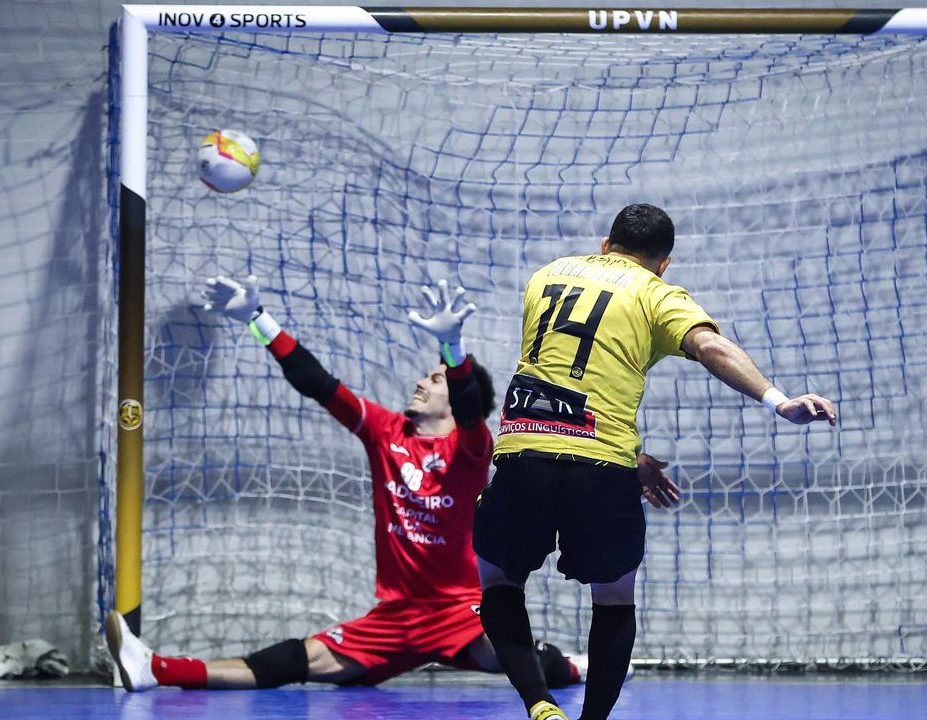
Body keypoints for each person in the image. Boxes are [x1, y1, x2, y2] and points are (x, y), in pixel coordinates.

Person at [106, 276, 588, 692]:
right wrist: (258, 318)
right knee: (293, 661)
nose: (421, 383)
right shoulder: (384, 432)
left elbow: (467, 401)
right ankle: (156, 669)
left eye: (434, 380)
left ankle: (575, 667)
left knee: (515, 656)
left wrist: (453, 350)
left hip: (460, 612)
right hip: (395, 617)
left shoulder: (471, 448)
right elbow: (318, 384)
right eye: (427, 376)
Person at [474, 203, 838, 720]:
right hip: (601, 468)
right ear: (663, 262)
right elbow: (710, 345)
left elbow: (567, 378)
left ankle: (539, 706)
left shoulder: (546, 276)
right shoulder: (656, 292)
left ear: (606, 243)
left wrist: (636, 455)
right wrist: (778, 400)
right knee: (615, 597)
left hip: (523, 451)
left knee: (498, 580)